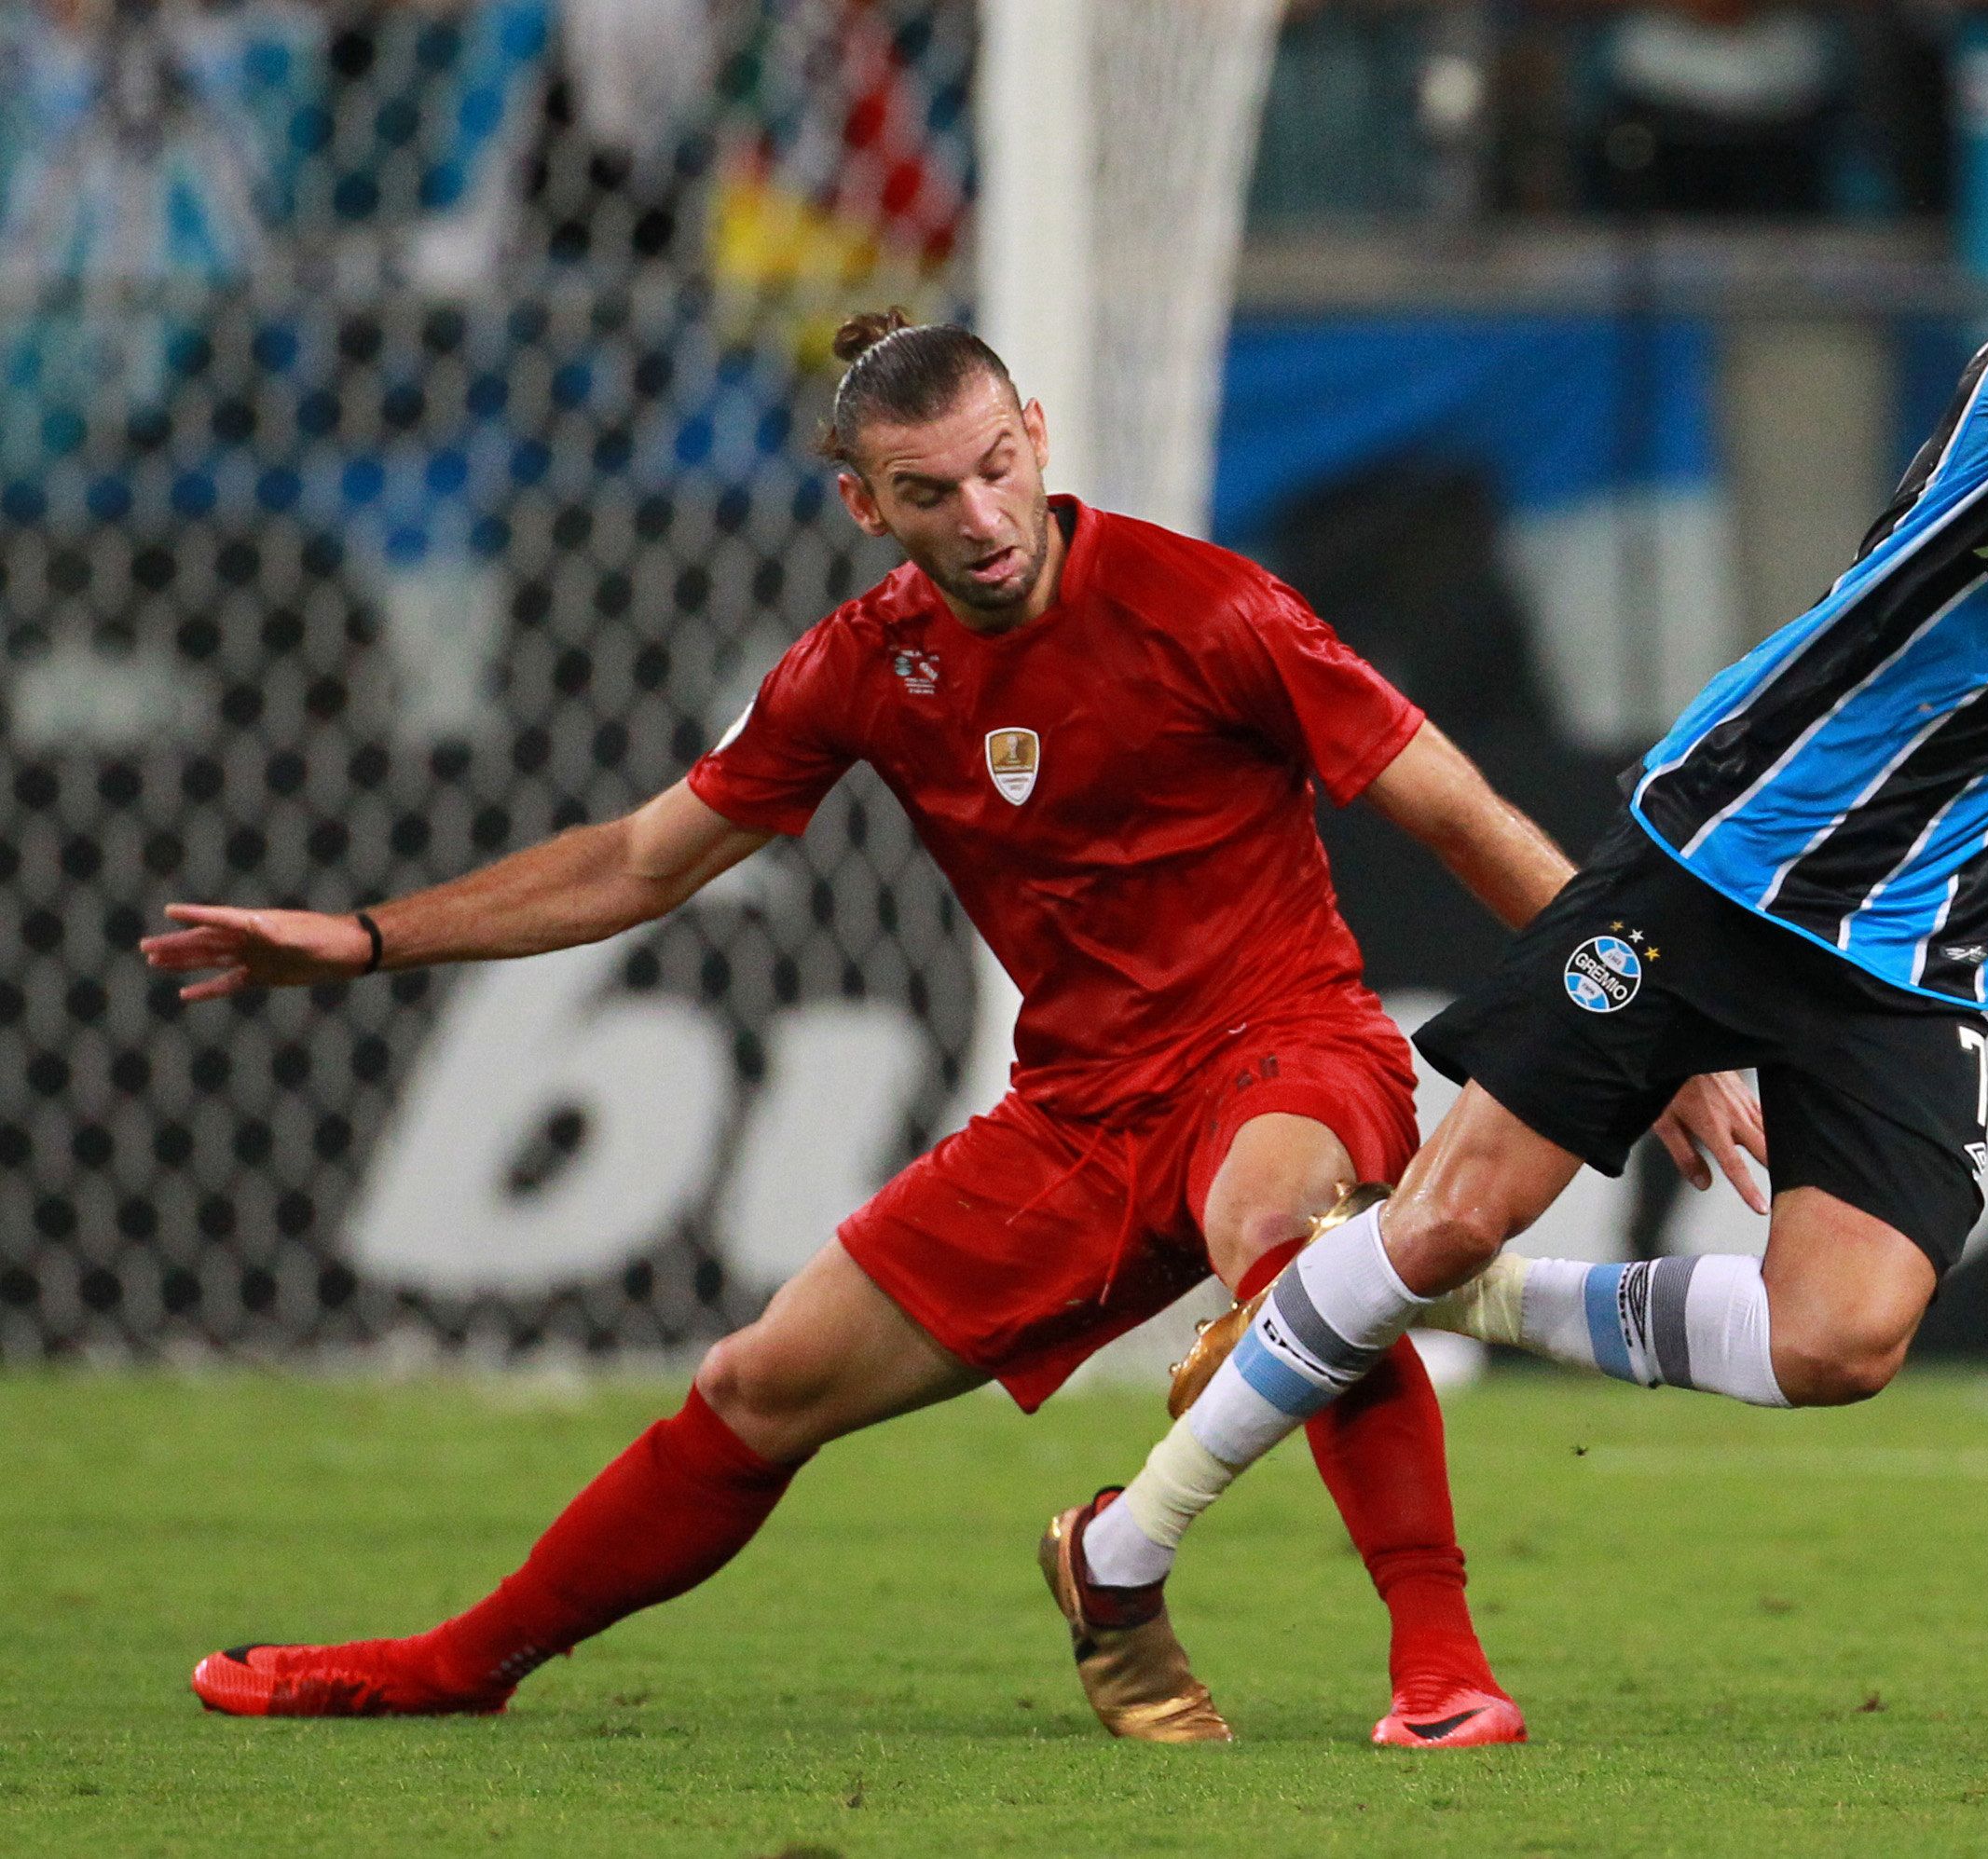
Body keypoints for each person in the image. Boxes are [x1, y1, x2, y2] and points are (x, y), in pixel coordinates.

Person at [139, 312, 1762, 1748]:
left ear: (1037, 436)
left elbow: (1461, 815)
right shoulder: (858, 669)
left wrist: (1641, 1030)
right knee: (758, 1384)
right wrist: (366, 938)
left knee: (1289, 1236)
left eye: (997, 469)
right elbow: (639, 863)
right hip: (1074, 1114)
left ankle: (1440, 1670)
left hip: (1280, 1043)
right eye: (929, 493)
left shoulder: (1213, 608)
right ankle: (462, 1666)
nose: (981, 520)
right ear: (866, 505)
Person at [1052, 121, 1988, 1694]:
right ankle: (1123, 1547)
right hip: (1732, 849)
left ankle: (1442, 1289)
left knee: (1838, 1340)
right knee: (1452, 1207)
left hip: (1920, 939)